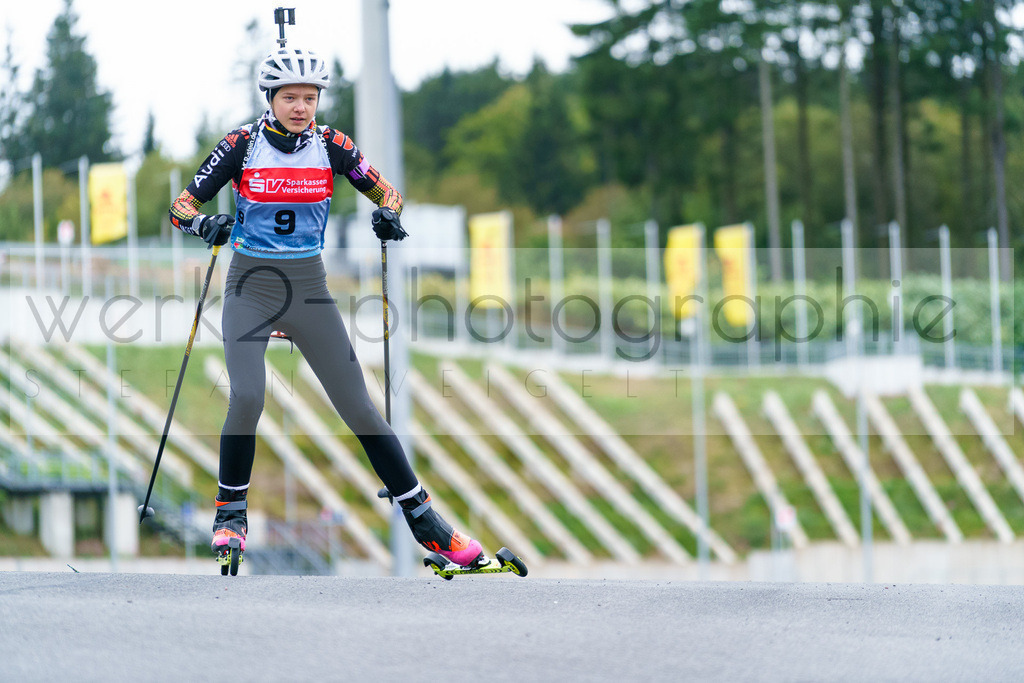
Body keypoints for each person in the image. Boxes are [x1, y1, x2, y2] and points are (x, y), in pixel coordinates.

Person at [168, 47, 484, 569]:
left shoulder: (332, 145)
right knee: (247, 396)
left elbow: (390, 194)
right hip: (251, 285)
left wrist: (388, 215)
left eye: (310, 98)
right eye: (290, 97)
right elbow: (181, 206)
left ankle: (426, 523)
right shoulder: (241, 144)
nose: (301, 107)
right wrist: (204, 224)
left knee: (359, 407)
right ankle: (230, 515)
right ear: (270, 98)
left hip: (309, 288)